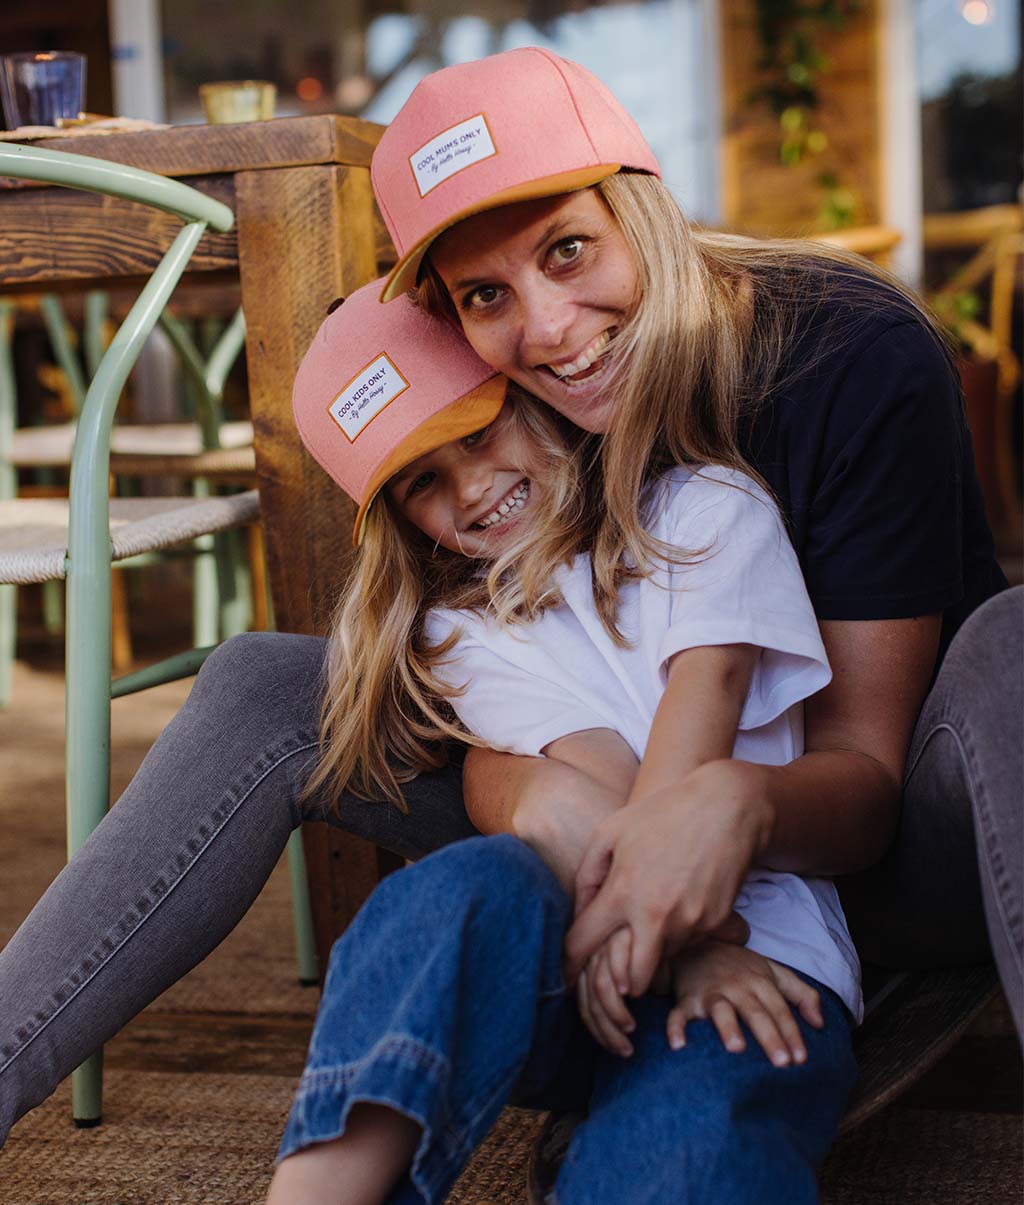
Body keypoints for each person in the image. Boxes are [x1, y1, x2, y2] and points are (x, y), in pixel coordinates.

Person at [0, 47, 1019, 1147]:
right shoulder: (520, 431)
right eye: (485, 295)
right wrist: (523, 787)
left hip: (865, 852)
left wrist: (730, 801)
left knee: (1013, 643)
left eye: (569, 249)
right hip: (608, 821)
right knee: (261, 680)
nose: (545, 328)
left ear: (642, 206)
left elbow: (863, 787)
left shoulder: (847, 351)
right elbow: (495, 665)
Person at [266, 276, 859, 1204]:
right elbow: (596, 784)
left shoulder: (703, 511)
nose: (473, 487)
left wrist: (698, 947)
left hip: (760, 960)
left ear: (530, 396)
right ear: (399, 521)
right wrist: (683, 948)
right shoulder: (457, 631)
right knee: (459, 891)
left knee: (680, 1151)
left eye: (478, 432)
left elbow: (690, 742)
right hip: (583, 968)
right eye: (424, 481)